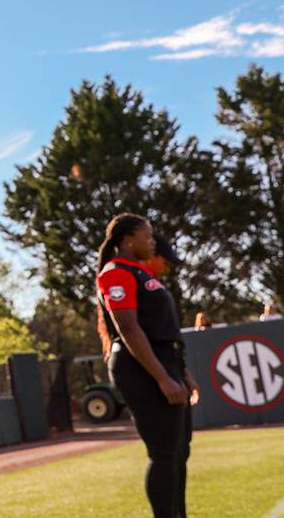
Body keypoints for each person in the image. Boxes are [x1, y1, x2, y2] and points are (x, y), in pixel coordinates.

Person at [96, 214, 198, 518]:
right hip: (141, 367)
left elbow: (164, 331)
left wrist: (182, 373)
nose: (153, 242)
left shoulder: (141, 273)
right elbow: (128, 329)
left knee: (181, 451)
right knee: (164, 454)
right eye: (148, 236)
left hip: (165, 362)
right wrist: (162, 378)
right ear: (128, 239)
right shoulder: (115, 272)